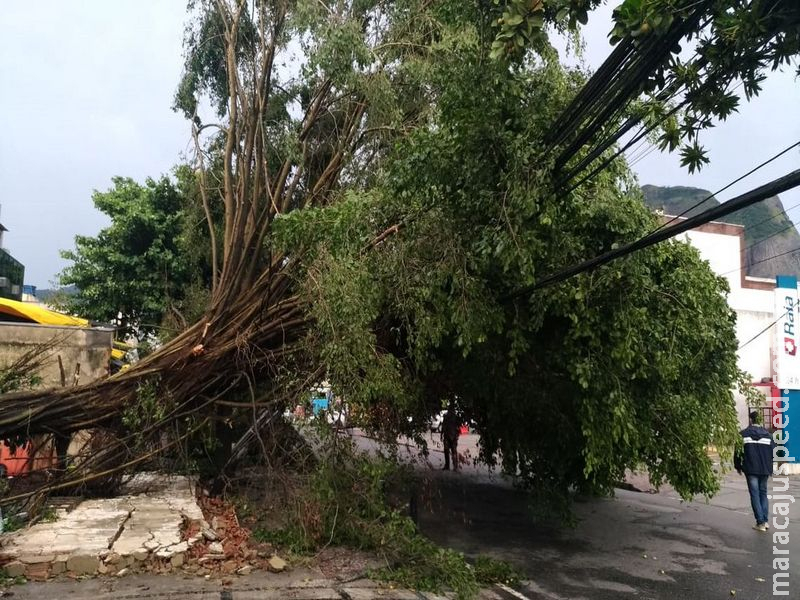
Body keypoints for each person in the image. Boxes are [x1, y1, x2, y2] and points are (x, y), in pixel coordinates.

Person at [734, 410, 776, 531]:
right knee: (763, 493)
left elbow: (738, 452)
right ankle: (765, 521)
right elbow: (773, 453)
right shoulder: (768, 435)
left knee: (755, 494)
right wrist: (770, 467)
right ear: (760, 421)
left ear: (751, 420)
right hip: (764, 469)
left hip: (751, 468)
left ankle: (760, 522)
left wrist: (738, 466)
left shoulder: (743, 434)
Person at [441, 405, 461, 471]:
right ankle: (448, 466)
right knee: (447, 451)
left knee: (453, 451)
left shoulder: (455, 417)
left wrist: (457, 435)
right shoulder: (446, 416)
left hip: (453, 436)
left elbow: (458, 428)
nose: (450, 411)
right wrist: (441, 435)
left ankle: (455, 466)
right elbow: (443, 426)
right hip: (448, 436)